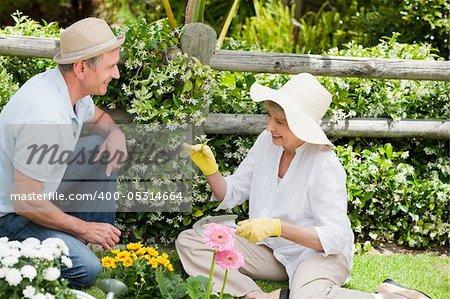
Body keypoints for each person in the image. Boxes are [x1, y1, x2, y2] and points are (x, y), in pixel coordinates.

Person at [176, 73, 430, 299]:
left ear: (302, 126)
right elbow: (230, 193)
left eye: (280, 121)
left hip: (318, 256)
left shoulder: (324, 164)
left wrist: (277, 227)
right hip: (272, 251)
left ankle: (390, 295)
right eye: (269, 116)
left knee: (306, 295)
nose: (269, 127)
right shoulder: (266, 142)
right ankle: (253, 295)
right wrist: (211, 171)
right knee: (191, 240)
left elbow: (334, 237)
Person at [0, 17, 127, 288]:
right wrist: (83, 227)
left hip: (33, 192)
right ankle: (85, 241)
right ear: (82, 67)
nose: (116, 74)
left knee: (102, 149)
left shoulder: (68, 88)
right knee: (86, 269)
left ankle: (98, 243)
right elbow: (25, 202)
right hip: (8, 213)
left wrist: (115, 133)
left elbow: (99, 118)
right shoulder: (45, 118)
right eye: (111, 66)